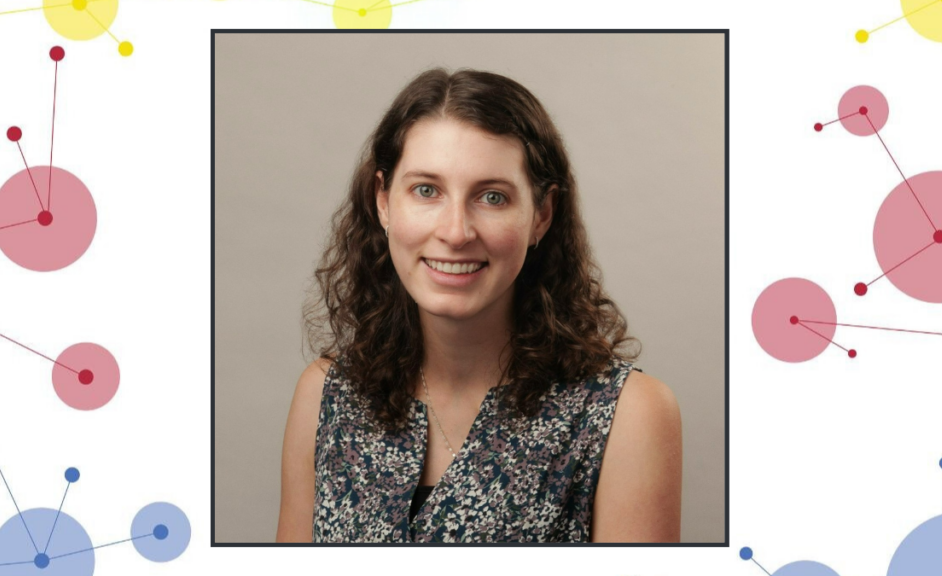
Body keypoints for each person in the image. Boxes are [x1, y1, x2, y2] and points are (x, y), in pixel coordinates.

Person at [277, 67, 682, 543]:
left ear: (542, 215)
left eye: (492, 197)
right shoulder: (326, 396)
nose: (455, 231)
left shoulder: (629, 415)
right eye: (426, 190)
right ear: (383, 201)